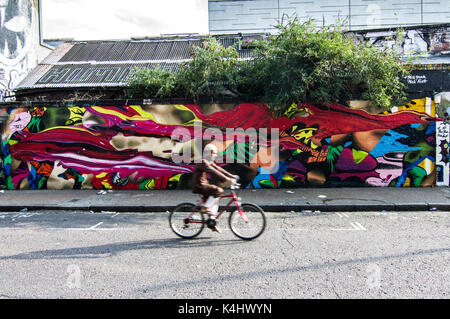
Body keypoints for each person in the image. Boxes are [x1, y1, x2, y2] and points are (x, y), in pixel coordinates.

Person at [192, 143, 238, 233]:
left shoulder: (208, 162)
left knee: (216, 199)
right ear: (209, 153)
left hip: (203, 185)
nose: (216, 155)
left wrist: (231, 176)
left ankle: (211, 222)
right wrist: (226, 180)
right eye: (215, 153)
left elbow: (219, 169)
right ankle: (205, 208)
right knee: (218, 190)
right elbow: (213, 172)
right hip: (200, 186)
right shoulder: (203, 161)